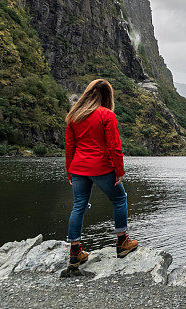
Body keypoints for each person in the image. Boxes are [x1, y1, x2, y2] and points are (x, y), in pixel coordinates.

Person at [64, 78, 138, 269]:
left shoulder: (74, 116)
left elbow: (69, 147)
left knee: (79, 205)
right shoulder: (107, 115)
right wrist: (119, 170)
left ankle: (75, 253)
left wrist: (69, 172)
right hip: (102, 167)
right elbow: (114, 146)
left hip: (78, 167)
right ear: (107, 96)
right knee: (120, 199)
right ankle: (122, 243)